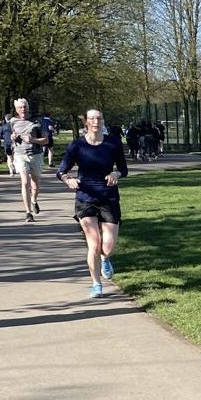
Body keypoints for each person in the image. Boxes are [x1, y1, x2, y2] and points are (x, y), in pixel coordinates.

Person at [57, 108, 128, 298]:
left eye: (99, 118)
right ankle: (96, 284)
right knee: (94, 244)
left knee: (107, 247)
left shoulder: (112, 144)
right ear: (86, 122)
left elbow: (123, 169)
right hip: (85, 197)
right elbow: (61, 170)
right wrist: (67, 179)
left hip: (109, 196)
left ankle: (105, 259)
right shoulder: (77, 146)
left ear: (103, 121)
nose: (96, 121)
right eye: (92, 119)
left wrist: (116, 173)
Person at [10, 98, 47, 222]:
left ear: (28, 107)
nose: (23, 109)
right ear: (16, 110)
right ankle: (28, 212)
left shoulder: (38, 121)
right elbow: (12, 135)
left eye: (24, 107)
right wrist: (13, 137)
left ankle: (34, 200)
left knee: (35, 183)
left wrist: (33, 140)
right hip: (20, 154)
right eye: (20, 107)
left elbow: (46, 140)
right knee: (25, 182)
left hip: (35, 154)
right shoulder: (13, 121)